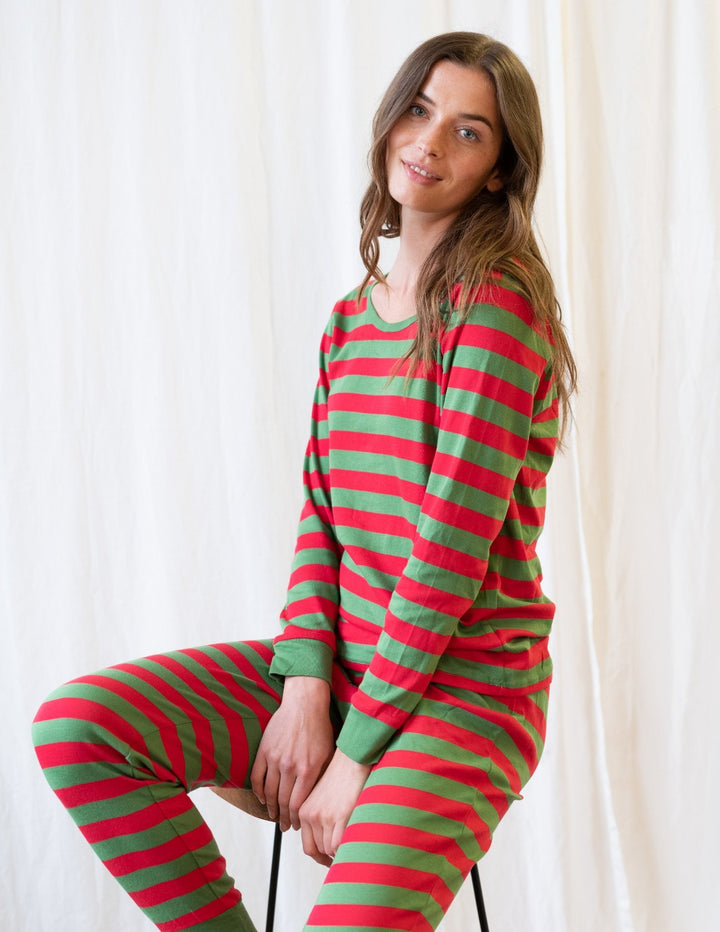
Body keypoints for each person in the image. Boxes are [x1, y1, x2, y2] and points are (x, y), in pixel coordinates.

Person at [32, 31, 576, 932]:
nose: (429, 142)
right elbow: (323, 522)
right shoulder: (348, 325)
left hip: (467, 695)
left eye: (469, 131)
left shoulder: (497, 307)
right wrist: (305, 688)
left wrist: (354, 755)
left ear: (498, 172)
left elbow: (446, 556)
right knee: (81, 729)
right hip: (349, 673)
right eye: (419, 109)